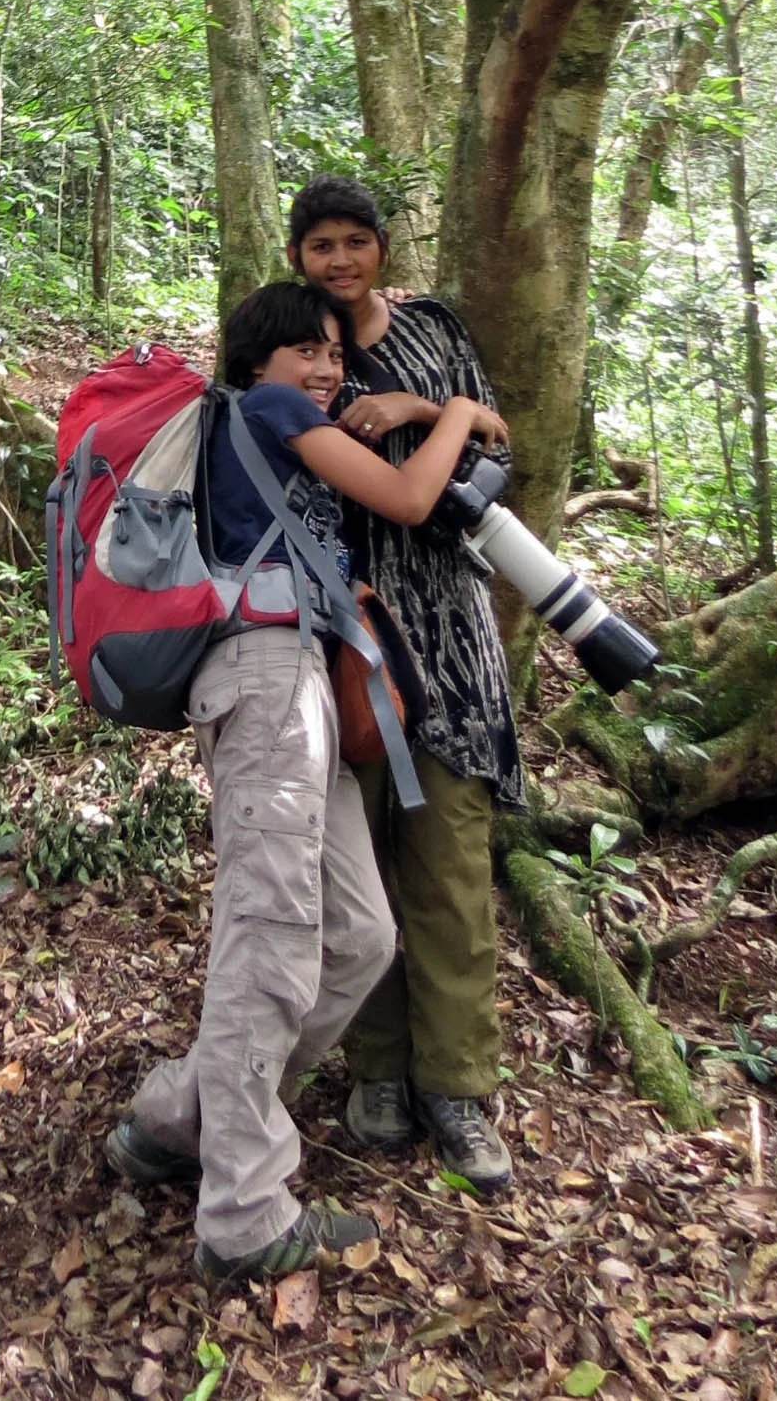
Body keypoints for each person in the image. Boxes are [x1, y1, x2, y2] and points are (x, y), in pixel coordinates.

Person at [105, 280, 506, 1286]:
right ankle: (242, 1215)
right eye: (305, 352)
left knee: (361, 933)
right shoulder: (270, 409)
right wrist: (454, 407)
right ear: (258, 362)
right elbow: (412, 500)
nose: (327, 368)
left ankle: (177, 1117)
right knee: (273, 930)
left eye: (335, 352)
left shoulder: (270, 423)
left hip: (300, 678)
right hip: (266, 678)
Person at [286, 174, 521, 1195]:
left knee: (452, 863)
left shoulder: (432, 328)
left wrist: (424, 404)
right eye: (320, 244)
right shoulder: (289, 340)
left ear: (383, 246)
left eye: (355, 241)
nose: (339, 260)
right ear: (297, 256)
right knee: (363, 861)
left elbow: (498, 438)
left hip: (450, 633)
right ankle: (377, 1071)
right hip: (347, 636)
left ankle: (459, 1087)